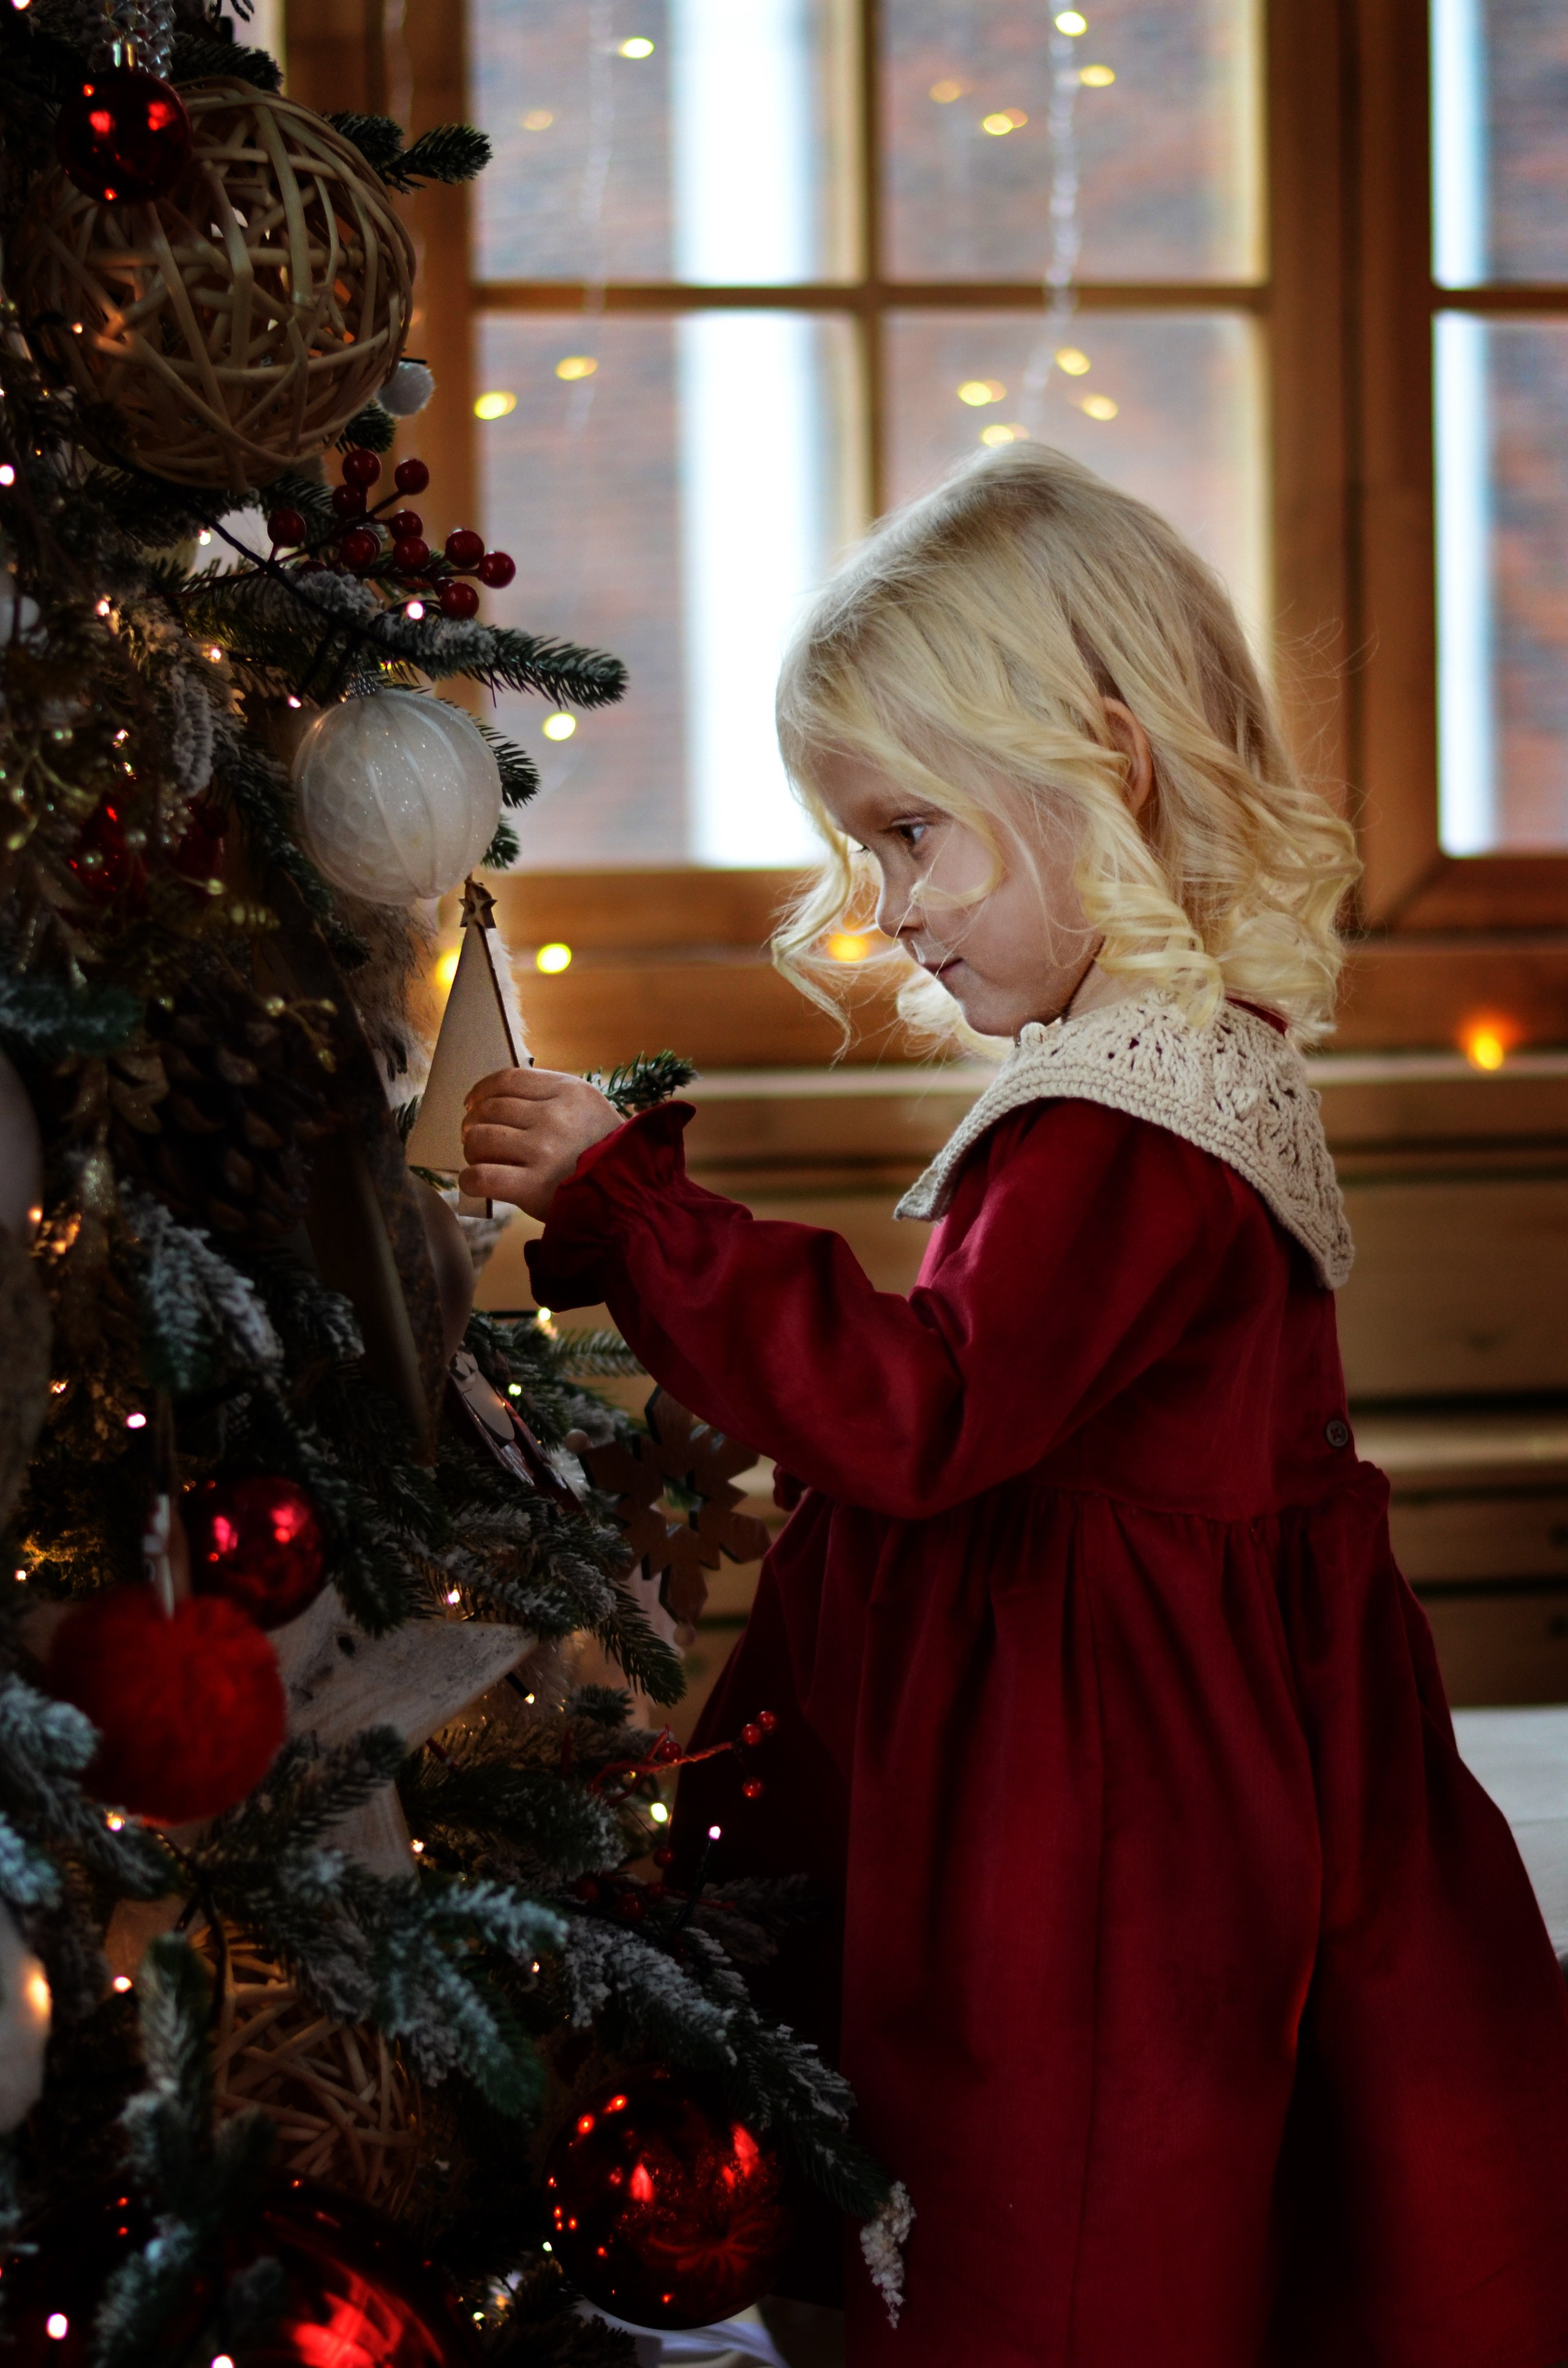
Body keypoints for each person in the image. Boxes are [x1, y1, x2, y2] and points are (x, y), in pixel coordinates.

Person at [459, 447, 1568, 2368]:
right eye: (864, 850)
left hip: (1106, 1798)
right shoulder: (1167, 1059)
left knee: (1066, 2177)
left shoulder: (1127, 1121)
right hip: (1132, 1728)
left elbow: (921, 1416)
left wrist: (639, 1206)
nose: (885, 906)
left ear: (1107, 772)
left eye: (912, 832)